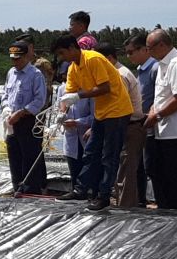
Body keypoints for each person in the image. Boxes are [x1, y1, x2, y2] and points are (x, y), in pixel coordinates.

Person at [52, 33, 133, 211]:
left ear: (72, 48)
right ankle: (81, 190)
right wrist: (62, 112)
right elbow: (68, 95)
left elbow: (105, 88)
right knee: (91, 151)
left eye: (62, 53)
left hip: (117, 111)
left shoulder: (93, 59)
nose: (61, 57)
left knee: (109, 155)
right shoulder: (73, 67)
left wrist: (79, 95)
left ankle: (103, 196)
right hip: (102, 112)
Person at [144, 28, 177, 211]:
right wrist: (153, 109)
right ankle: (166, 210)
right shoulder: (162, 65)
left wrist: (157, 115)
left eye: (150, 47)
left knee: (176, 177)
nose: (148, 52)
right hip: (164, 130)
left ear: (162, 45)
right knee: (160, 172)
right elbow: (162, 95)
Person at [100, 42, 146, 207]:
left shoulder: (119, 75)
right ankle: (123, 205)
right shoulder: (118, 72)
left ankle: (126, 209)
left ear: (110, 58)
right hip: (124, 126)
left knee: (126, 172)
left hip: (129, 126)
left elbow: (121, 108)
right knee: (121, 169)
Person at [3, 39, 47, 195]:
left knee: (29, 156)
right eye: (12, 58)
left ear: (26, 57)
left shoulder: (35, 75)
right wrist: (6, 109)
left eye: (17, 58)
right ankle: (17, 188)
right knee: (14, 156)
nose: (14, 61)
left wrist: (21, 112)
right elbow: (6, 95)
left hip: (28, 120)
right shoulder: (10, 73)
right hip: (11, 120)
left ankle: (30, 192)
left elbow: (40, 100)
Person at [124, 32, 158, 207]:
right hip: (140, 123)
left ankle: (145, 200)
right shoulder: (140, 70)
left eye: (131, 52)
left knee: (148, 165)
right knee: (138, 165)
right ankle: (139, 199)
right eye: (127, 53)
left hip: (151, 124)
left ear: (144, 50)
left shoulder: (154, 69)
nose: (129, 56)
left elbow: (158, 97)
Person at [62, 95, 94, 188]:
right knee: (74, 172)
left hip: (85, 137)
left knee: (87, 170)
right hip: (70, 137)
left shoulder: (89, 93)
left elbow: (95, 116)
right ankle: (75, 192)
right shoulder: (63, 89)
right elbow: (60, 110)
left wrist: (77, 122)